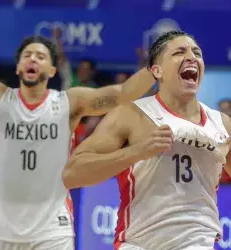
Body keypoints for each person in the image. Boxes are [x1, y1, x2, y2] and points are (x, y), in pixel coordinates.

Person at [0, 36, 155, 249]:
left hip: (52, 231)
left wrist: (157, 66)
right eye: (27, 56)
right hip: (3, 231)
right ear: (18, 68)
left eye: (40, 56)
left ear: (52, 70)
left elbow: (122, 94)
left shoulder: (68, 103)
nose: (32, 59)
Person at [63, 30, 231, 250]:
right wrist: (137, 151)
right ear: (157, 70)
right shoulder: (132, 115)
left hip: (198, 242)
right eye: (179, 52)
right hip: (139, 243)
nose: (191, 57)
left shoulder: (222, 124)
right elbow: (71, 175)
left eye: (197, 53)